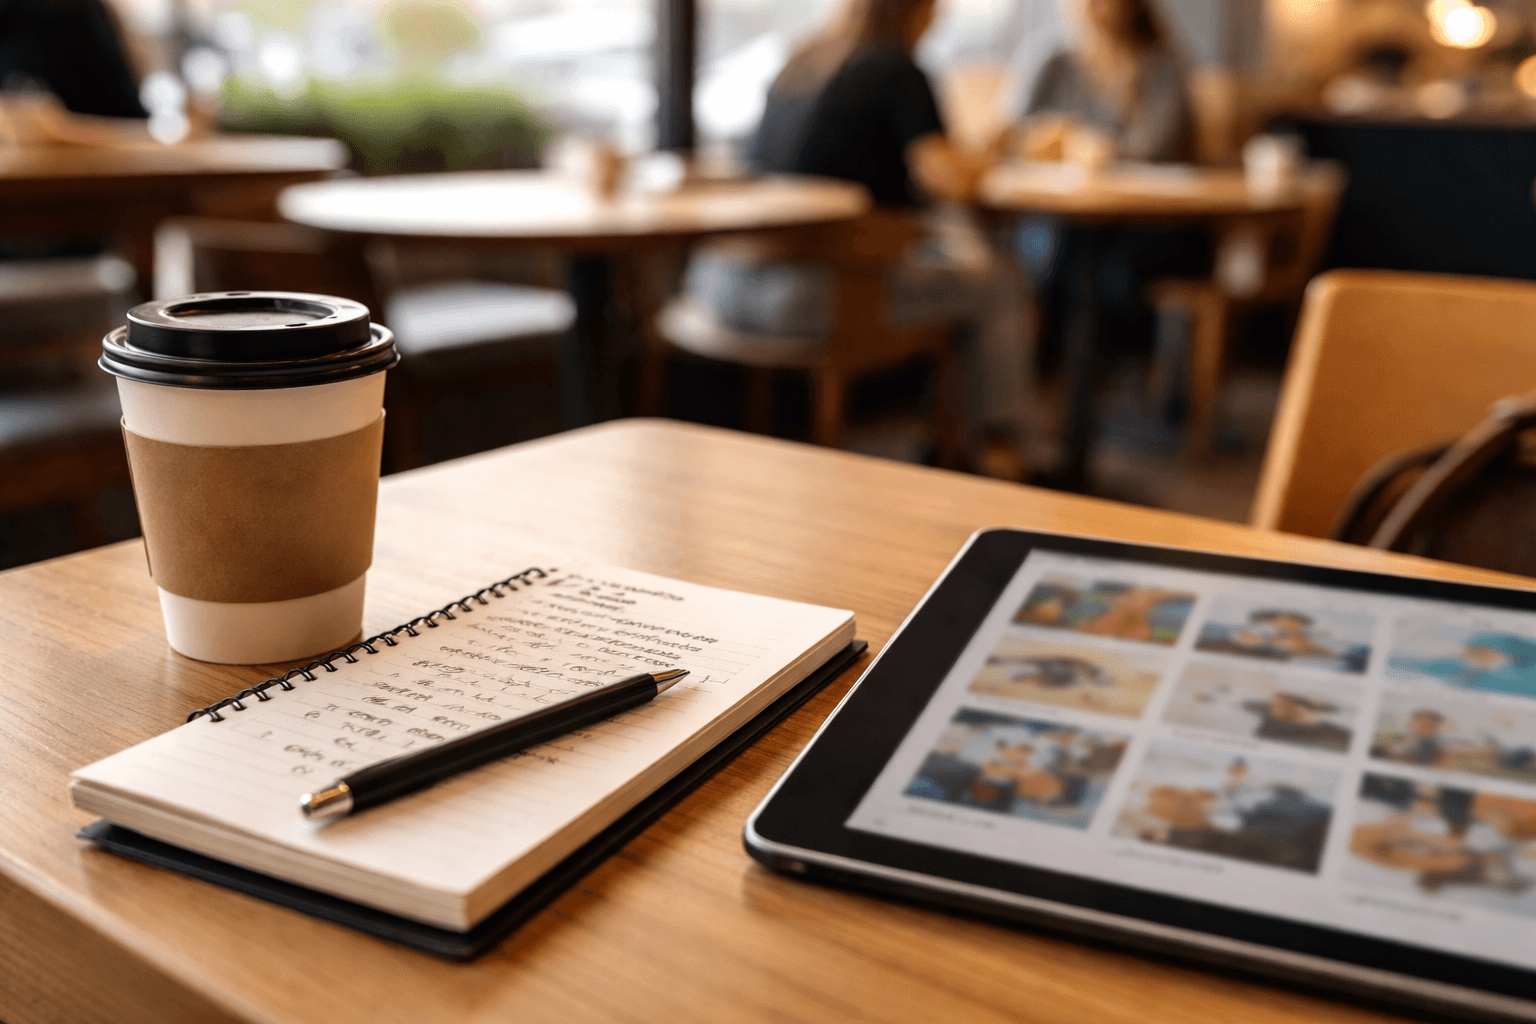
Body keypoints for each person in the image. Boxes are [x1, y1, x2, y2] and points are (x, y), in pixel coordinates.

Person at [683, 0, 1034, 477]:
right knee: (997, 284)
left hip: (720, 287)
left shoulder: (800, 59)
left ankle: (948, 440)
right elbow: (946, 178)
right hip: (813, 298)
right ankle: (1000, 458)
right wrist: (994, 152)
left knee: (955, 270)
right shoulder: (896, 67)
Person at [1009, 0, 1207, 400]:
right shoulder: (1054, 61)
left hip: (1147, 224)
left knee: (1091, 267)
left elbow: (1153, 148)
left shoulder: (1160, 65)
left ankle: (1070, 407)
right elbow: (1012, 137)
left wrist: (1084, 144)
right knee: (1056, 250)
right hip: (1060, 218)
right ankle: (1053, 405)